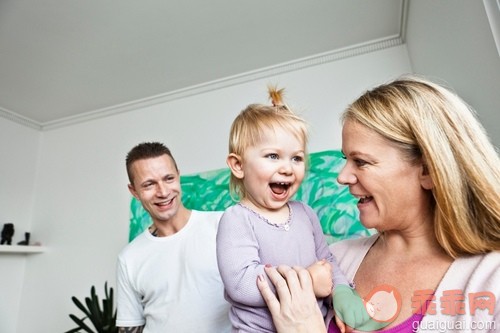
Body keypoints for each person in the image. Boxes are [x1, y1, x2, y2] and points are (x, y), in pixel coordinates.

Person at [257, 75, 500, 332]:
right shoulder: (334, 259)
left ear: (428, 170)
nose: (342, 177)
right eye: (345, 160)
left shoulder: (491, 280)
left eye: (361, 161)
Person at [216, 87, 367, 333]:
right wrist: (308, 280)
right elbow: (241, 283)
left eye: (296, 158)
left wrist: (340, 292)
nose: (287, 168)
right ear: (238, 165)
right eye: (273, 156)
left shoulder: (305, 213)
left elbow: (326, 262)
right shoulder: (237, 219)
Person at [116, 142, 231, 333]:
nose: (163, 192)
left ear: (178, 175)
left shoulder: (223, 225)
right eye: (149, 184)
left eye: (168, 178)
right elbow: (129, 327)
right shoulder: (129, 258)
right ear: (134, 191)